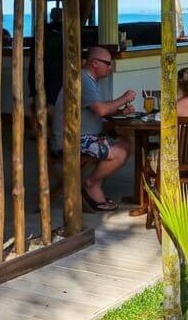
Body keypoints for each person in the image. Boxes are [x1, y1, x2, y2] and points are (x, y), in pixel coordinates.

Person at [50, 46, 134, 212]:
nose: (111, 67)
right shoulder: (84, 81)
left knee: (125, 143)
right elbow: (101, 110)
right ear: (95, 63)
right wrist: (123, 98)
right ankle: (91, 183)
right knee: (120, 153)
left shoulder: (90, 80)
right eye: (108, 64)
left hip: (86, 136)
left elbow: (96, 109)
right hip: (71, 140)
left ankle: (94, 183)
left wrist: (119, 110)